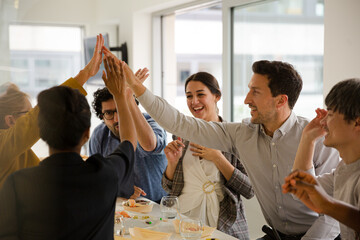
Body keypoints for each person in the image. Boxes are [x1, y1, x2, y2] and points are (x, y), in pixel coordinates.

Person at [119, 59, 341, 239]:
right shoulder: (241, 134)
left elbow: (335, 210)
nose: (246, 100)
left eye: (256, 92)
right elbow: (179, 123)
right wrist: (136, 87)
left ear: (281, 100)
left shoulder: (317, 138)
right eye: (248, 90)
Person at [0, 56, 136, 239]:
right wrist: (120, 96)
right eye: (28, 114)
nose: (32, 118)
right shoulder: (105, 174)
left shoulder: (18, 184)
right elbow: (129, 142)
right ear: (87, 133)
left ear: (44, 134)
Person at [0, 34, 104, 189]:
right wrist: (85, 74)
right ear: (10, 120)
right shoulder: (4, 144)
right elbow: (46, 109)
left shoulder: (17, 148)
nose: (39, 118)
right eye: (27, 114)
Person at [162, 72, 254, 239]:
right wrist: (172, 163)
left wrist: (218, 158)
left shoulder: (235, 135)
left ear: (216, 96)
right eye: (189, 96)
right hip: (185, 222)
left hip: (224, 225)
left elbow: (250, 189)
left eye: (200, 94)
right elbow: (169, 188)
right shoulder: (181, 135)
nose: (194, 101)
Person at [282, 78, 360, 239]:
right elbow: (302, 188)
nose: (323, 121)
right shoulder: (343, 169)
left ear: (357, 122)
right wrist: (308, 138)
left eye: (330, 114)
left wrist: (328, 206)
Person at [90, 48, 167, 203]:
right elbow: (95, 177)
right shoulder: (100, 135)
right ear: (101, 117)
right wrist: (122, 189)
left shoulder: (151, 122)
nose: (117, 118)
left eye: (120, 109)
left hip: (157, 207)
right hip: (121, 207)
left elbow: (150, 145)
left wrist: (127, 97)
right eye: (109, 113)